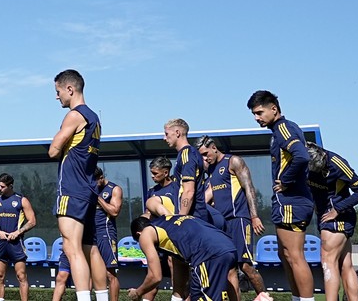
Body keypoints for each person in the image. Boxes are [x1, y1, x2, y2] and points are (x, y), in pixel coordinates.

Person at [248, 90, 316, 301]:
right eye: (254, 114)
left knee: (295, 256)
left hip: (293, 201)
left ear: (274, 109)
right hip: (286, 202)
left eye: (259, 112)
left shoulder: (283, 128)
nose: (256, 118)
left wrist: (286, 180)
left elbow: (302, 156)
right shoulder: (277, 131)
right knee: (285, 255)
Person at [48, 69, 108, 301]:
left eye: (58, 91)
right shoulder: (94, 118)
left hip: (71, 190)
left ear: (70, 89)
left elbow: (53, 150)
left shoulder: (74, 115)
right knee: (90, 249)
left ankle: (83, 298)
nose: (57, 97)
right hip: (89, 190)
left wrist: (60, 144)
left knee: (71, 248)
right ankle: (101, 297)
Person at [197, 136, 268, 299]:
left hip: (239, 220)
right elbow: (209, 196)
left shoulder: (233, 161)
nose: (205, 158)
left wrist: (254, 216)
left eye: (206, 153)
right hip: (222, 225)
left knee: (245, 266)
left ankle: (264, 297)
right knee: (229, 268)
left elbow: (249, 188)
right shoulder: (211, 170)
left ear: (214, 147)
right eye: (202, 156)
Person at [127, 207, 240, 301]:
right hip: (228, 246)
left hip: (208, 255)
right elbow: (180, 268)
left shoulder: (146, 233)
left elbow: (155, 276)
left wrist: (137, 292)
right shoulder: (171, 223)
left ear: (138, 233)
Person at [306, 142, 358, 301]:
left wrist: (337, 209)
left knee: (328, 262)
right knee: (346, 265)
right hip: (324, 214)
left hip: (337, 217)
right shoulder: (300, 157)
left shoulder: (337, 163)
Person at [141, 157, 186, 301]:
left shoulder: (177, 188)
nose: (152, 176)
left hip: (173, 236)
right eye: (151, 173)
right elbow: (148, 213)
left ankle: (177, 297)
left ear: (166, 172)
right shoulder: (152, 191)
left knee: (174, 265)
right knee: (153, 271)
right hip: (157, 237)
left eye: (155, 173)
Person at [0, 173, 36, 301]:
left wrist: (18, 232)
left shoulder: (21, 200)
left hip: (16, 243)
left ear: (10, 186)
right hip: (1, 242)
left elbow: (32, 221)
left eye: (2, 186)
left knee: (21, 276)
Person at [164, 120, 209, 221]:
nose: (164, 138)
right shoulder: (186, 154)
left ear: (177, 133)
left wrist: (181, 219)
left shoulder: (187, 154)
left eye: (166, 134)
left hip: (193, 218)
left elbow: (189, 190)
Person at [92, 168, 122, 301]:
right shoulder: (89, 188)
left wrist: (98, 198)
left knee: (110, 274)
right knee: (92, 273)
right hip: (90, 234)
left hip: (105, 234)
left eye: (94, 181)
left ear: (101, 177)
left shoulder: (114, 189)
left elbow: (114, 211)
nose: (93, 184)